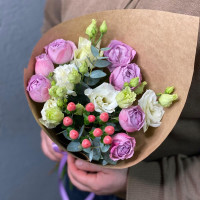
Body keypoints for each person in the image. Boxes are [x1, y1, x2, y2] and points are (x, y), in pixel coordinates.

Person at [41, 0, 200, 199]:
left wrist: (140, 183)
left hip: (162, 185)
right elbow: (54, 21)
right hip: (77, 155)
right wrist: (50, 110)